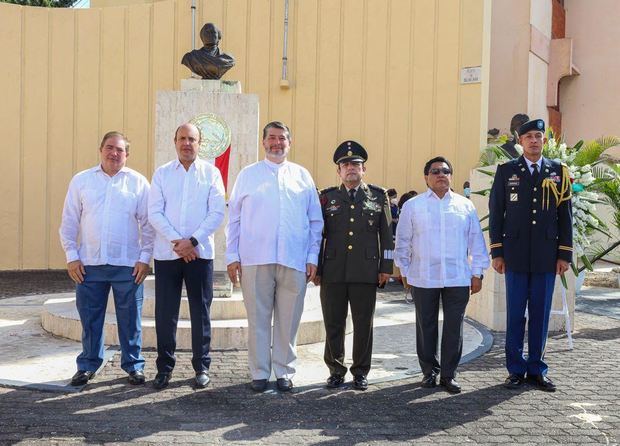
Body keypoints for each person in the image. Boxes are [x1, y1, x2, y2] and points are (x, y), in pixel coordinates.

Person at [225, 121, 323, 392]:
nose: (277, 143)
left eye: (282, 138)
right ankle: (259, 371)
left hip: (293, 259)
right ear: (263, 142)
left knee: (289, 319)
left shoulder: (302, 176)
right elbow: (233, 218)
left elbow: (315, 221)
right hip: (255, 258)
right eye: (272, 138)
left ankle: (284, 370)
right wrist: (232, 255)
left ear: (289, 143)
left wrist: (312, 256)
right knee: (258, 317)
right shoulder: (248, 175)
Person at [59, 131, 154, 387]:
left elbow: (147, 225)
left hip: (128, 265)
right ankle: (88, 365)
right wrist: (72, 257)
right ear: (101, 149)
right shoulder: (81, 181)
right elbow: (69, 222)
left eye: (120, 149)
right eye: (109, 147)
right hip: (89, 265)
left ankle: (134, 365)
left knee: (130, 319)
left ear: (127, 155)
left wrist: (145, 258)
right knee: (90, 318)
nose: (114, 153)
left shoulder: (138, 183)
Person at [489, 119, 572, 392]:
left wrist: (564, 255)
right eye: (528, 137)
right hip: (514, 255)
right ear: (520, 142)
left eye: (538, 136)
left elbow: (565, 217)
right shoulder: (506, 171)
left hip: (547, 257)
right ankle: (515, 370)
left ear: (544, 141)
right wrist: (497, 252)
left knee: (540, 314)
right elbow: (497, 213)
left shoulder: (558, 171)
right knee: (515, 315)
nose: (534, 141)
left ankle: (537, 368)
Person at [395, 156, 489, 394]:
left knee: (453, 327)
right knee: (425, 326)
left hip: (457, 277)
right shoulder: (413, 206)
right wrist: (404, 271)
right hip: (423, 276)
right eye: (435, 171)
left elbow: (476, 241)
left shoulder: (464, 205)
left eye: (446, 171)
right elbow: (403, 242)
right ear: (426, 177)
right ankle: (429, 372)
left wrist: (477, 272)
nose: (441, 175)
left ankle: (448, 375)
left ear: (451, 176)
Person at [148, 123, 226, 390]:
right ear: (174, 141)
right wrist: (178, 243)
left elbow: (216, 212)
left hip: (200, 254)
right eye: (182, 138)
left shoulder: (211, 173)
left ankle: (202, 366)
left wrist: (192, 242)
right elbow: (154, 213)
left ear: (200, 143)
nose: (187, 143)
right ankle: (164, 367)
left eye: (192, 139)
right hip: (167, 254)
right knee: (165, 312)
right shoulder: (161, 174)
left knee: (200, 311)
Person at [314, 141, 394, 390]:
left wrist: (386, 268)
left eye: (355, 164)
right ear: (338, 171)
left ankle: (360, 371)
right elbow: (318, 235)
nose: (351, 168)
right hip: (333, 271)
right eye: (345, 165)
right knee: (333, 322)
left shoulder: (378, 197)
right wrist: (316, 267)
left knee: (363, 324)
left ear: (364, 169)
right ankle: (336, 370)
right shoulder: (327, 198)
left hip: (366, 271)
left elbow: (387, 236)